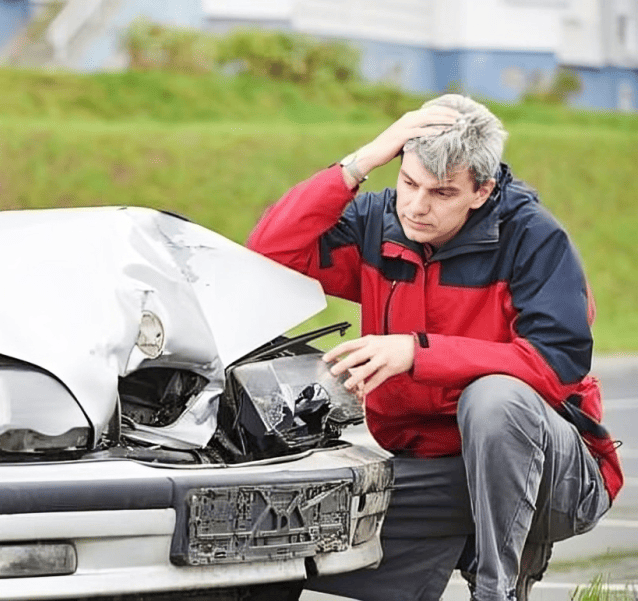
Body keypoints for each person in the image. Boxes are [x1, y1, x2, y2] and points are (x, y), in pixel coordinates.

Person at [247, 94, 623, 601]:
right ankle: (459, 548)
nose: (417, 206)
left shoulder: (533, 238)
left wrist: (415, 352)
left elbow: (555, 367)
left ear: (481, 190)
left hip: (554, 478)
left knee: (495, 400)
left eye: (441, 192)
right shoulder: (378, 222)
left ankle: (497, 589)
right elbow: (270, 253)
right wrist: (361, 161)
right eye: (408, 182)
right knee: (291, 533)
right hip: (434, 475)